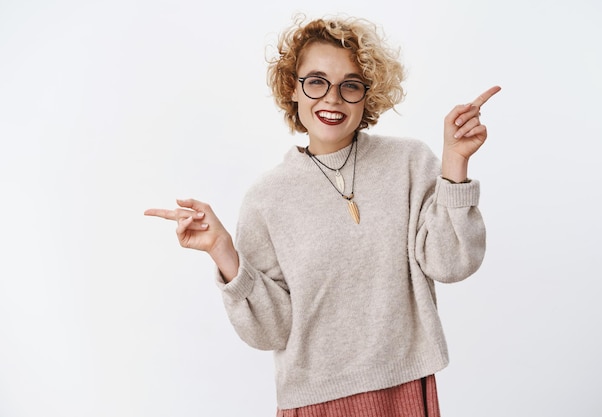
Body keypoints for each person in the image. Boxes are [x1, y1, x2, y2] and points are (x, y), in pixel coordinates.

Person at [145, 15, 500, 417]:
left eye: (350, 85)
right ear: (291, 89)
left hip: (403, 388)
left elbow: (451, 264)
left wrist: (455, 161)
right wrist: (224, 252)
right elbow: (270, 331)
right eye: (316, 81)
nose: (332, 98)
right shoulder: (266, 199)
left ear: (368, 95)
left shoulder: (409, 163)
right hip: (314, 401)